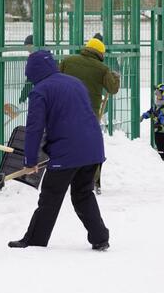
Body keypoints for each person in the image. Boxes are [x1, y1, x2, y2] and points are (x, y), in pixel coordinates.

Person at [8, 50, 109, 250]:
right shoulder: (74, 82)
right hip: (93, 147)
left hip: (67, 151)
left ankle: (35, 240)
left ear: (34, 72)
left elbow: (35, 128)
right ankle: (100, 237)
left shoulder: (40, 91)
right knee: (83, 194)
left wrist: (30, 160)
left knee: (50, 196)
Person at [59, 35, 120, 193]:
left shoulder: (68, 61)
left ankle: (65, 178)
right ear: (100, 53)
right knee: (92, 147)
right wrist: (116, 78)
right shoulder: (102, 69)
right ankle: (93, 180)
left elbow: (56, 79)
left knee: (67, 144)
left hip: (66, 111)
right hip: (89, 115)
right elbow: (112, 89)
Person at [140, 83, 164, 161]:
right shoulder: (156, 105)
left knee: (161, 145)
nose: (157, 96)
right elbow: (151, 112)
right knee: (159, 144)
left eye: (159, 94)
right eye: (156, 94)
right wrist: (144, 116)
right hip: (157, 129)